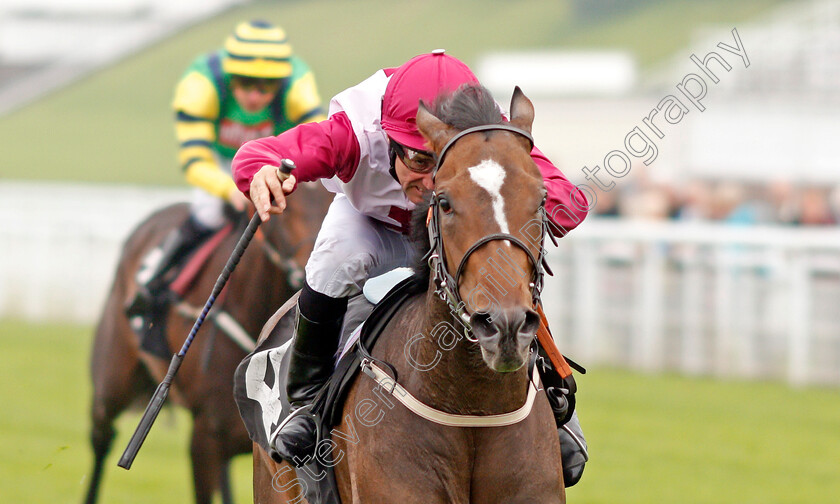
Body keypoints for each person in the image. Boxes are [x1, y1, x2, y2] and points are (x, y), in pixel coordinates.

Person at [233, 50, 590, 485]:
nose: (431, 180)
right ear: (388, 138)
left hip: (453, 226)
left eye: (441, 164)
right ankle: (306, 403)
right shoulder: (352, 133)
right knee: (335, 257)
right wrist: (259, 172)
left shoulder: (490, 131)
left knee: (505, 264)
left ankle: (556, 407)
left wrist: (524, 210)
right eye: (419, 161)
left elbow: (564, 195)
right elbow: (267, 153)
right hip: (373, 225)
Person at [126, 20, 326, 318]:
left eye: (267, 85)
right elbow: (195, 161)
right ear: (230, 75)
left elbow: (318, 142)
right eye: (245, 82)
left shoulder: (298, 86)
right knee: (208, 212)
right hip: (222, 164)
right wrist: (229, 190)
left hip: (277, 161)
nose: (255, 96)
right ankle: (154, 279)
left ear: (281, 81)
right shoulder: (202, 85)